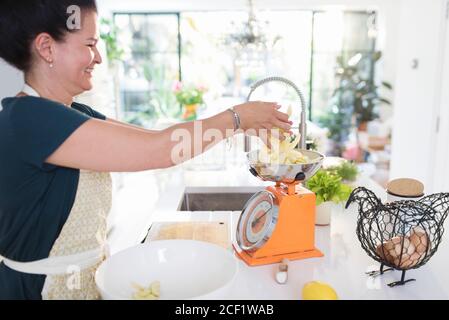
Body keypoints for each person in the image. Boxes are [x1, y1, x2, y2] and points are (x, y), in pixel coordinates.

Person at [0, 0, 291, 299]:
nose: (98, 57)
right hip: (40, 291)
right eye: (90, 44)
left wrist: (237, 125)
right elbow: (160, 150)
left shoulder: (72, 112)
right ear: (47, 48)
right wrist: (237, 118)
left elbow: (155, 138)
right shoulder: (28, 118)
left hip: (81, 284)